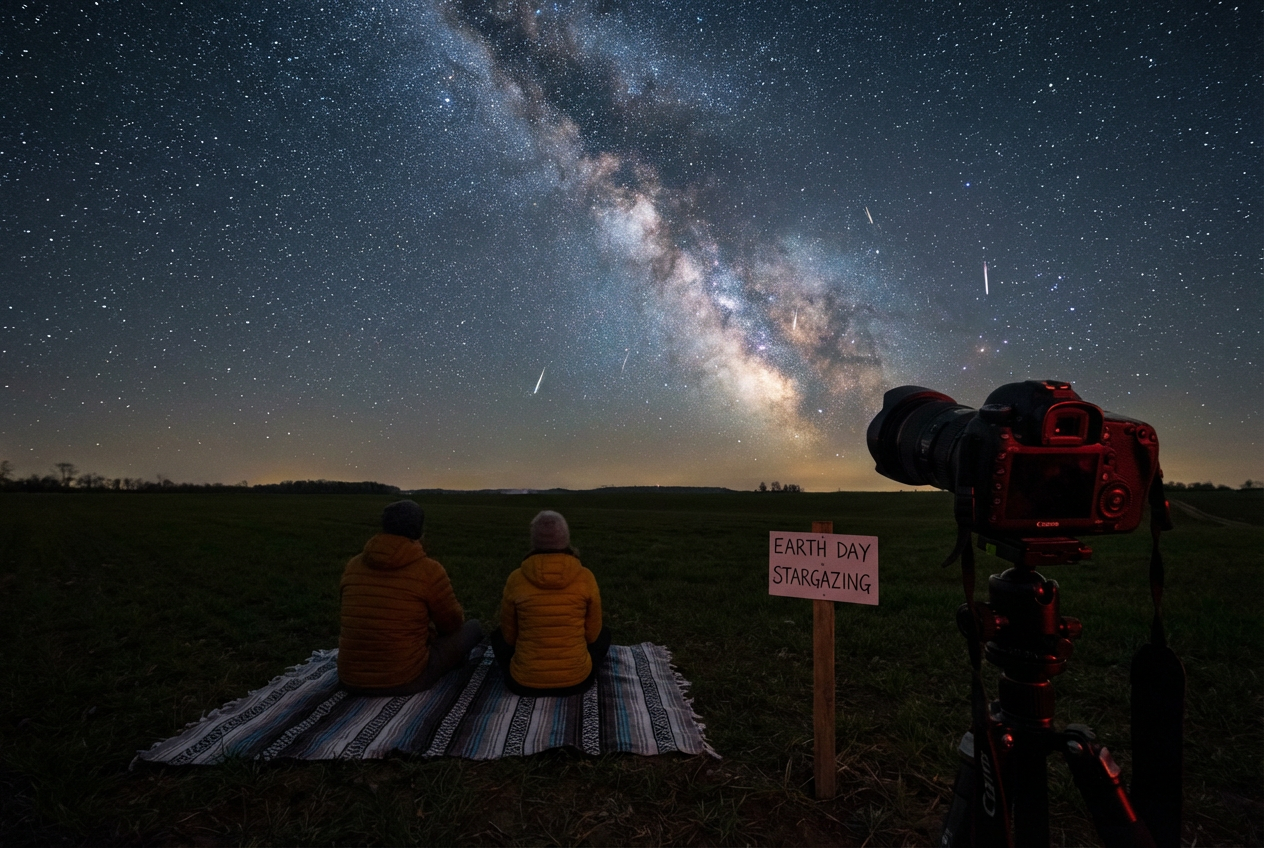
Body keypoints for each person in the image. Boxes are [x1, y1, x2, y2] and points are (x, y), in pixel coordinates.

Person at [337, 500, 483, 695]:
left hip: (350, 679)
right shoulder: (429, 570)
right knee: (473, 628)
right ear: (419, 531)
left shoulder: (353, 565)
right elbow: (451, 624)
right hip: (404, 679)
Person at [491, 510, 611, 697]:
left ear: (533, 541)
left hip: (523, 684)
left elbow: (509, 637)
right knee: (605, 634)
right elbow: (593, 635)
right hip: (578, 682)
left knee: (497, 637)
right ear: (567, 539)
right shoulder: (586, 577)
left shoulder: (516, 578)